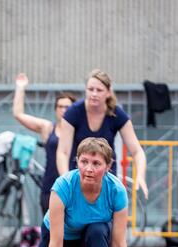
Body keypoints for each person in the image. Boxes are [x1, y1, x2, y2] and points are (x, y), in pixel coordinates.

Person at [56, 69, 148, 198]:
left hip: (105, 179)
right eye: (90, 89)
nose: (94, 94)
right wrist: (65, 181)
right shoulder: (74, 112)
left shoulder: (117, 114)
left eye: (99, 90)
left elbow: (137, 151)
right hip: (79, 177)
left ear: (108, 93)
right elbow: (62, 152)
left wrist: (140, 176)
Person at [13, 73, 76, 214]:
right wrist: (20, 87)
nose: (63, 110)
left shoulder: (79, 131)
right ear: (55, 110)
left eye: (67, 107)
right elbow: (18, 114)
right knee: (50, 233)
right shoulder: (48, 128)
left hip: (74, 190)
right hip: (50, 188)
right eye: (60, 107)